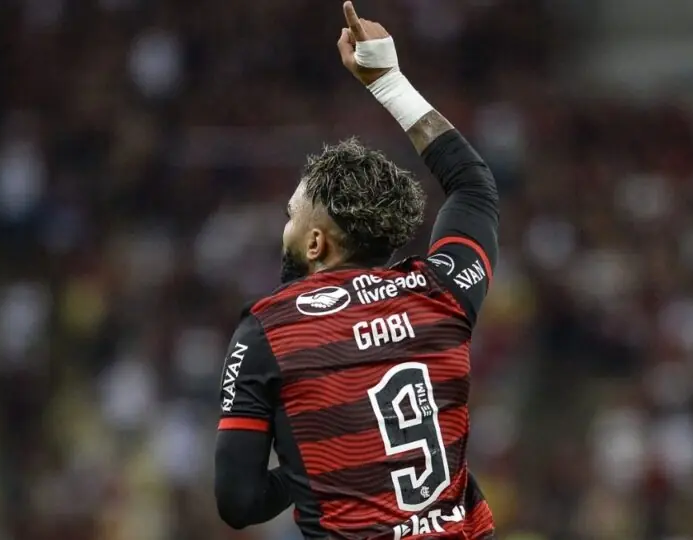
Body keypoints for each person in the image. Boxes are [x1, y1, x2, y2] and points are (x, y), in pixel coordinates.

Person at [214, 2, 499, 538]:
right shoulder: (439, 292)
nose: (285, 227)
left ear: (316, 241)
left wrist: (304, 472)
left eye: (292, 216)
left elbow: (237, 500)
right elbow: (472, 186)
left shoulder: (268, 331)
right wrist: (389, 81)